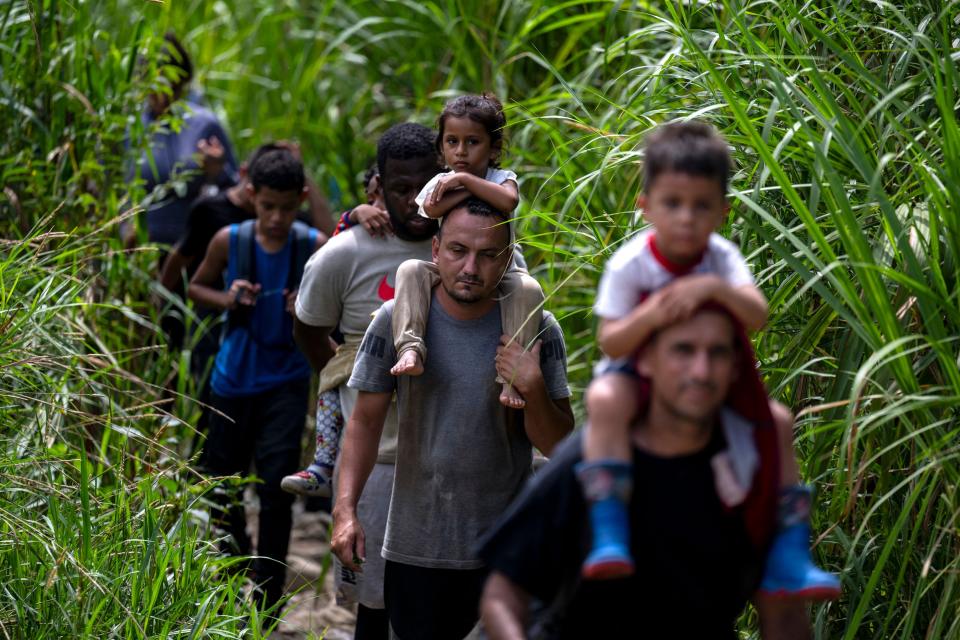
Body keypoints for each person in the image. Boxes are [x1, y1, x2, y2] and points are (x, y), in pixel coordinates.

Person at [579, 121, 840, 601]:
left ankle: (788, 553)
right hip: (638, 374)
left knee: (778, 423)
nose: (686, 219)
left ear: (723, 212)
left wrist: (713, 288)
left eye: (701, 206)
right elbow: (611, 341)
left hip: (709, 377)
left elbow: (757, 314)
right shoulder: (630, 263)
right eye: (672, 204)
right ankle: (609, 530)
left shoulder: (722, 259)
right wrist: (654, 313)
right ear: (646, 206)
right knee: (604, 397)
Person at [477, 307, 814, 639]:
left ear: (736, 367)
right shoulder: (594, 460)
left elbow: (784, 615)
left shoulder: (752, 472)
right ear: (647, 360)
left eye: (718, 353)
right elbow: (502, 596)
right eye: (683, 350)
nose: (701, 370)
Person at [331, 197, 574, 640]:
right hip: (416, 545)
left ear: (507, 258)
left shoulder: (536, 327)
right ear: (436, 250)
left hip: (509, 548)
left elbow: (559, 447)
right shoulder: (395, 321)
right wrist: (345, 511)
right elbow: (364, 423)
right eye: (459, 251)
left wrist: (533, 387)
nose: (470, 268)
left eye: (487, 255)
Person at [292, 123, 441, 639]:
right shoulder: (342, 257)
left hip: (453, 457)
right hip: (374, 459)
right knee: (373, 605)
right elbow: (309, 329)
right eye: (401, 189)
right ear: (379, 183)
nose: (416, 202)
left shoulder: (473, 244)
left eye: (426, 186)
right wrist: (352, 379)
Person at [186, 147, 325, 610]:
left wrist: (305, 310)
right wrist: (227, 298)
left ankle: (268, 597)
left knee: (276, 489)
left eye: (287, 208)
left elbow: (335, 307)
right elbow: (195, 287)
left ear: (301, 199)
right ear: (252, 196)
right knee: (222, 485)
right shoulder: (231, 240)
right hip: (231, 381)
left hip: (285, 382)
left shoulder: (313, 246)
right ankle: (233, 572)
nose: (276, 218)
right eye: (268, 207)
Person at [389, 93, 544, 411]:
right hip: (454, 268)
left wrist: (464, 181)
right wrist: (459, 181)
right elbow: (431, 208)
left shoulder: (502, 179)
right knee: (410, 270)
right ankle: (410, 347)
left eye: (472, 142)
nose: (460, 151)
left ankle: (511, 378)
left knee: (529, 289)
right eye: (452, 142)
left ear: (494, 148)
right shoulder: (440, 182)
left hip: (502, 269)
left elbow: (508, 201)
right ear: (441, 147)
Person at [281, 162, 392, 498]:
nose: (380, 207)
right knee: (330, 389)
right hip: (354, 347)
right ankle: (324, 465)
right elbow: (336, 238)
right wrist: (356, 215)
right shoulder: (356, 227)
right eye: (375, 197)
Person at [130, 32, 238, 247]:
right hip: (137, 248)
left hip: (191, 246)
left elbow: (235, 189)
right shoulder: (130, 127)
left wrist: (216, 171)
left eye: (173, 86)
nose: (163, 96)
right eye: (155, 86)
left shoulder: (204, 124)